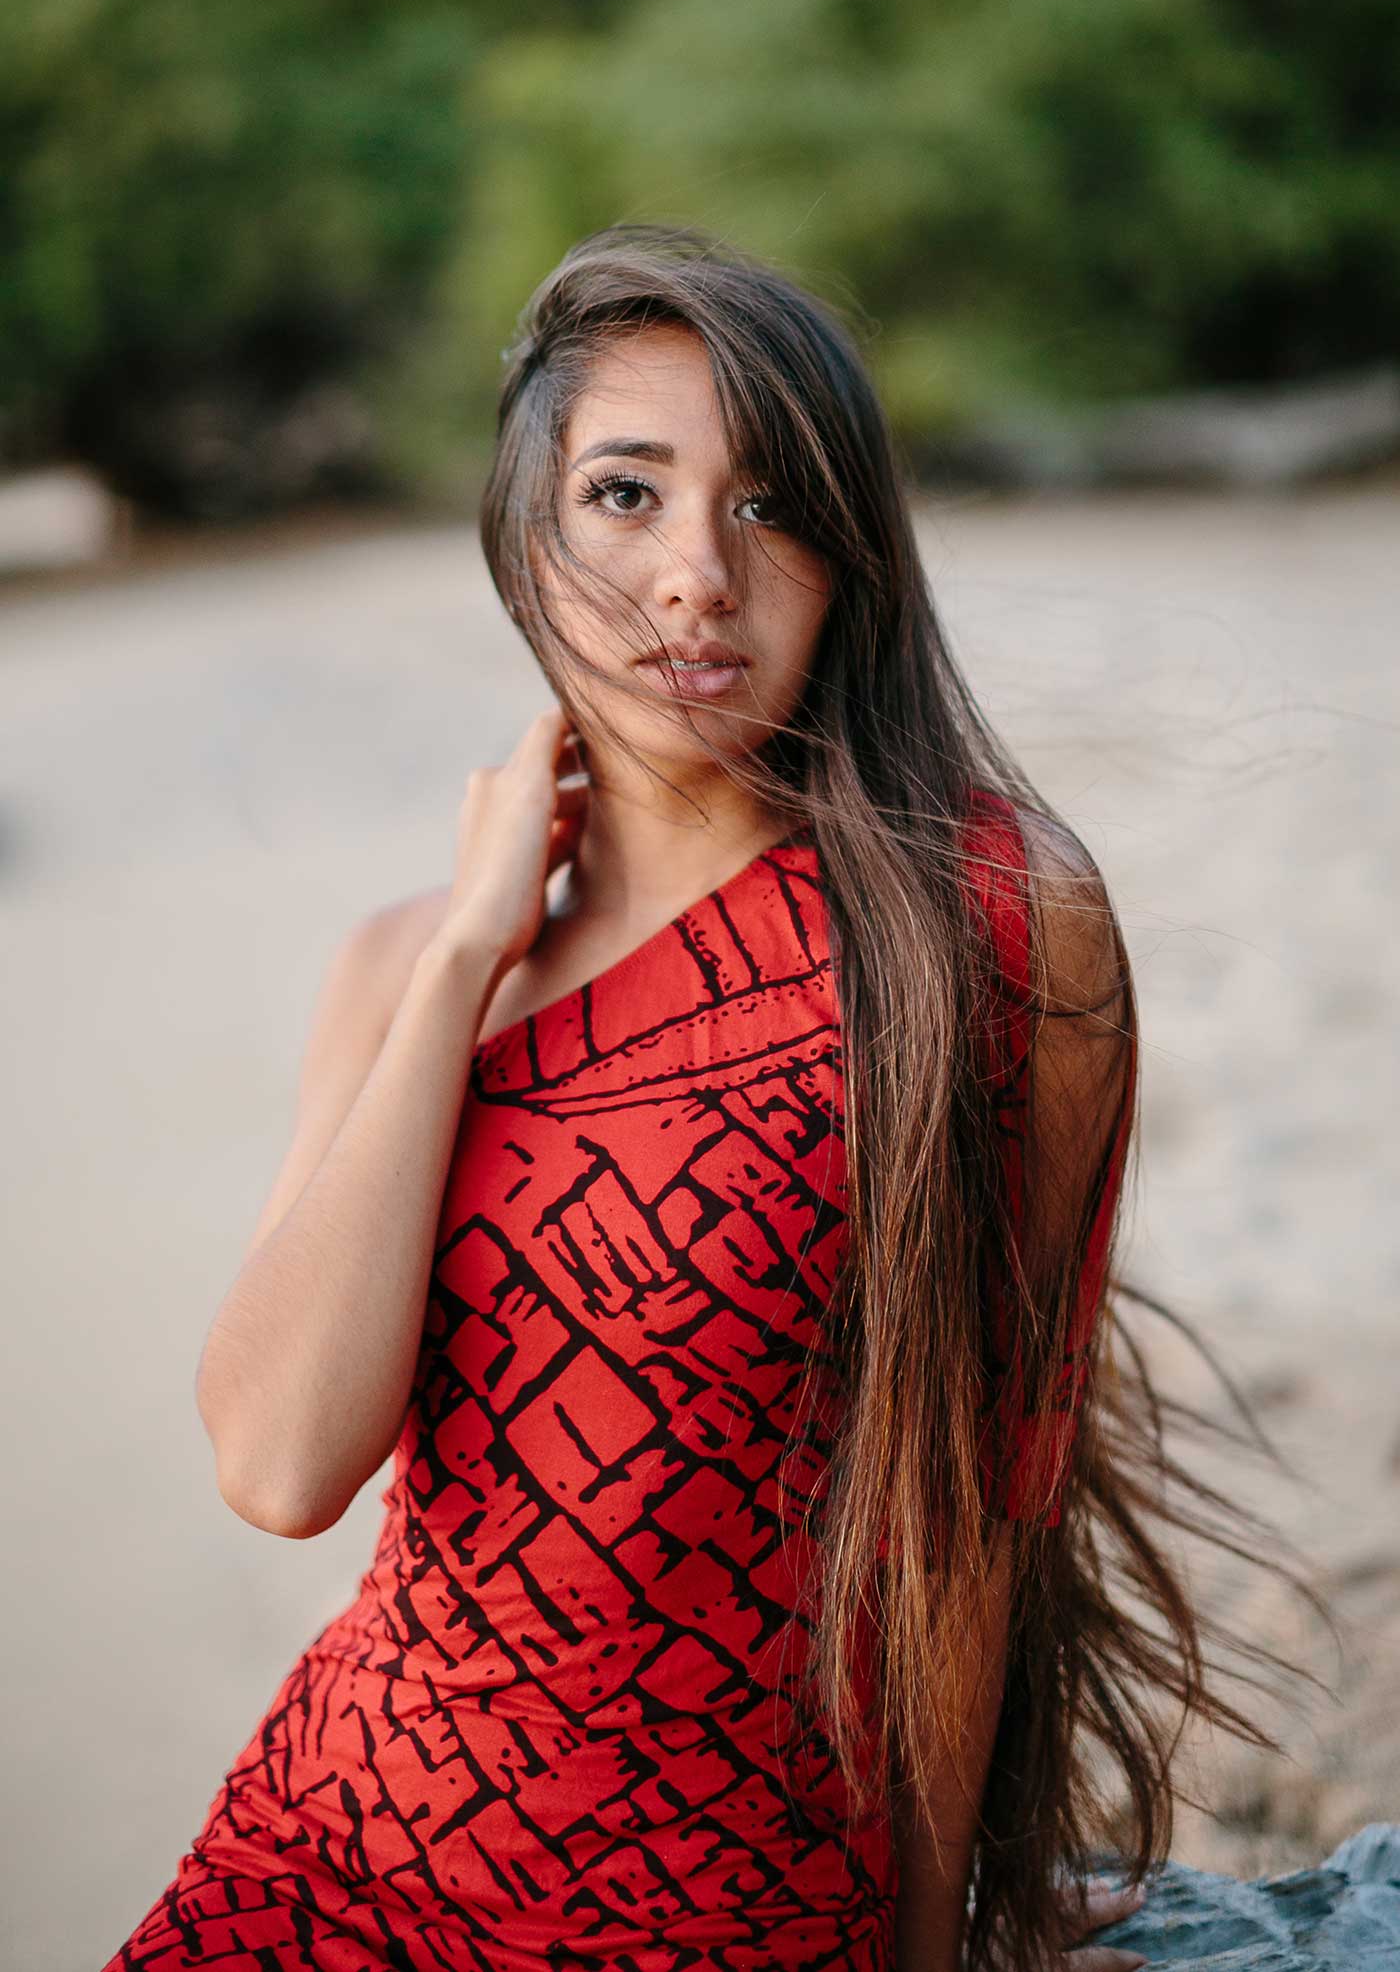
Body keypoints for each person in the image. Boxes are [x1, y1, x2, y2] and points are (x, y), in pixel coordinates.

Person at [103, 224, 1277, 1972]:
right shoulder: (406, 965)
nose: (698, 580)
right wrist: (460, 964)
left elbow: (972, 1500)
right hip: (332, 1850)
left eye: (772, 504)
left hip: (719, 1901)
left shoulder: (986, 935)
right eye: (629, 495)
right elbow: (281, 1460)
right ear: (527, 531)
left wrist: (919, 1942)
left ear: (851, 561)